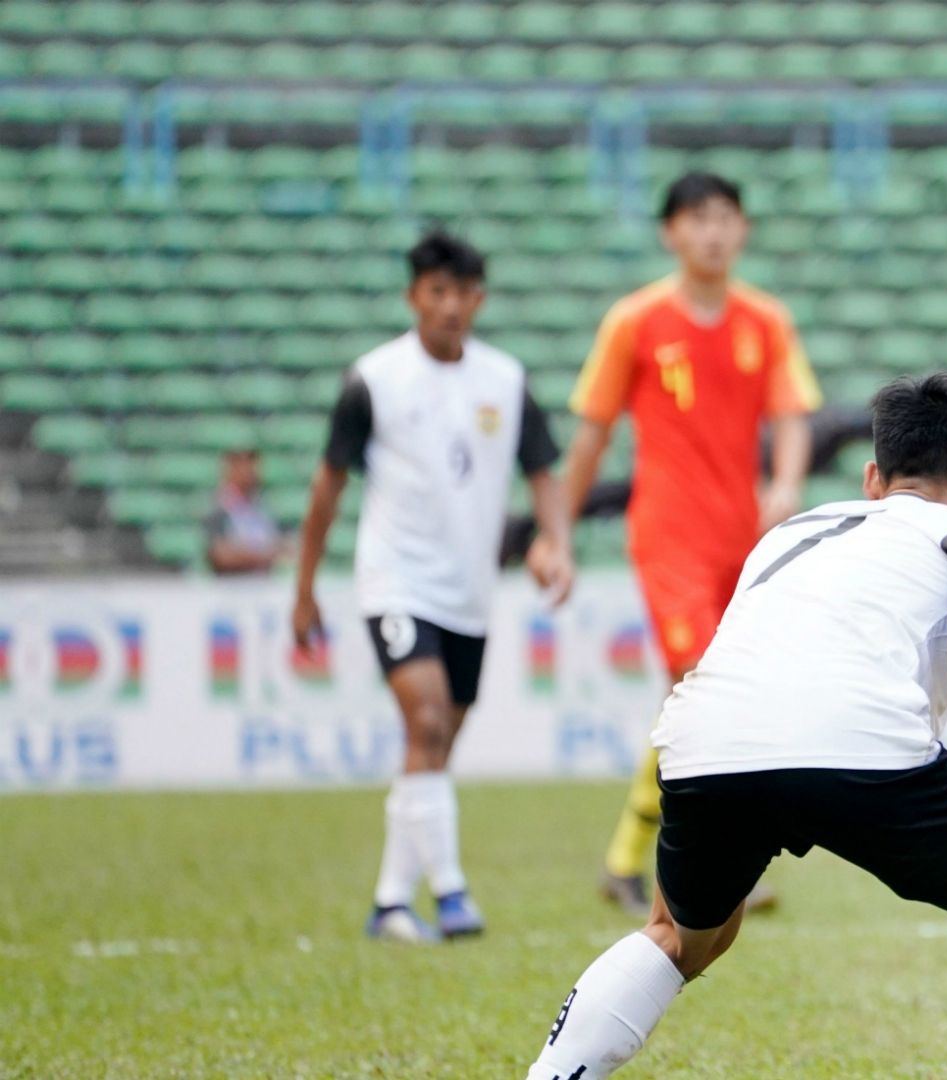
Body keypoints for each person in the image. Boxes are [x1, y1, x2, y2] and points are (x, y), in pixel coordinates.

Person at [525, 373, 947, 1080]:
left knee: (679, 935)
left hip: (705, 743)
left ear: (872, 477)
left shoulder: (791, 533)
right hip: (864, 749)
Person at [536, 171, 820, 914]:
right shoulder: (634, 322)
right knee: (702, 685)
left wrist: (785, 482)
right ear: (670, 232)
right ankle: (686, 866)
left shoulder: (766, 320)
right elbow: (591, 437)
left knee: (699, 701)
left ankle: (630, 861)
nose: (713, 232)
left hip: (745, 542)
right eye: (697, 219)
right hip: (669, 537)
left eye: (726, 217)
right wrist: (554, 532)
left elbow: (792, 415)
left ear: (744, 230)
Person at [292, 229, 575, 943]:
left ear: (480, 300)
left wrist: (555, 542)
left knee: (435, 747)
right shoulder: (373, 379)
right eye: (436, 292)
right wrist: (304, 586)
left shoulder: (505, 382)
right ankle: (451, 894)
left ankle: (390, 901)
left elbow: (544, 474)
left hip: (469, 591)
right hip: (397, 580)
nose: (449, 306)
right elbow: (328, 487)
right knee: (424, 723)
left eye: (463, 293)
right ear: (413, 296)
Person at [204, 448, 284, 575]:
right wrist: (263, 555)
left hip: (263, 586)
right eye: (241, 465)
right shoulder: (218, 509)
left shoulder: (263, 507)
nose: (248, 471)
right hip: (231, 587)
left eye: (251, 464)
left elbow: (283, 550)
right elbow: (221, 556)